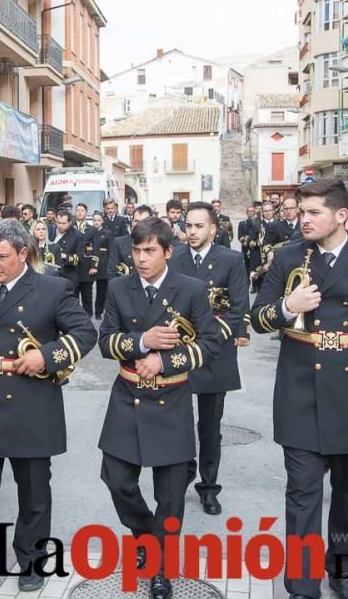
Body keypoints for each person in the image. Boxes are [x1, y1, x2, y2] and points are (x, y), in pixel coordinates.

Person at [251, 177, 348, 599]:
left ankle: (342, 573)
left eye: (313, 212)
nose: (303, 219)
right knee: (301, 493)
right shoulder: (287, 258)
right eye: (301, 212)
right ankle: (302, 586)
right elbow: (258, 318)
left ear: (341, 215)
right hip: (300, 392)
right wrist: (288, 307)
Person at [0, 220, 96, 597]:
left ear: (22, 254)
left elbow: (84, 332)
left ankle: (31, 561)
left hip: (31, 402)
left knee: (33, 492)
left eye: (2, 257)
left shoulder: (53, 288)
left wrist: (45, 356)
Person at [98, 217, 222, 599]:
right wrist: (141, 341)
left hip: (171, 399)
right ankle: (146, 537)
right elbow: (105, 343)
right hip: (128, 396)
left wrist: (166, 362)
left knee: (169, 497)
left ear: (169, 251)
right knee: (116, 479)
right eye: (136, 250)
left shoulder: (191, 289)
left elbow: (211, 344)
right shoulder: (119, 288)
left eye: (149, 250)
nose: (141, 258)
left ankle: (160, 569)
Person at [173, 202, 250, 516]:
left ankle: (208, 487)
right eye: (188, 226)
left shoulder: (230, 260)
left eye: (199, 226)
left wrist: (207, 337)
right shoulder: (174, 258)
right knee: (177, 421)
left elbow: (238, 306)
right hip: (177, 351)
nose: (192, 232)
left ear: (213, 229)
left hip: (215, 352)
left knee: (210, 425)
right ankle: (182, 472)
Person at [108, 205, 152, 279]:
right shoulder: (119, 243)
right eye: (136, 221)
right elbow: (112, 272)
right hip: (125, 287)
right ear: (132, 222)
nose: (139, 224)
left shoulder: (157, 243)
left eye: (144, 221)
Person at [50, 209, 83, 291]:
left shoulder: (77, 235)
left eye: (63, 223)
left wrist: (64, 256)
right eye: (58, 223)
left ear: (70, 222)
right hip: (50, 275)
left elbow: (80, 258)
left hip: (67, 275)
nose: (60, 226)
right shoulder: (50, 231)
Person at [74, 204, 96, 315]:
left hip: (86, 267)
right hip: (73, 268)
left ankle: (88, 317)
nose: (79, 212)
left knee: (87, 295)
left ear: (86, 213)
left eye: (82, 210)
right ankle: (75, 317)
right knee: (73, 296)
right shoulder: (70, 228)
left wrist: (93, 266)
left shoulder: (91, 229)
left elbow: (94, 249)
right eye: (77, 210)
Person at [89, 212, 112, 319]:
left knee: (102, 290)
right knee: (87, 289)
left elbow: (111, 249)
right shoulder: (89, 232)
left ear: (102, 221)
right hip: (90, 262)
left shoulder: (107, 233)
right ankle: (88, 311)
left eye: (99, 220)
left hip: (103, 263)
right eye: (94, 220)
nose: (96, 222)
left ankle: (99, 312)